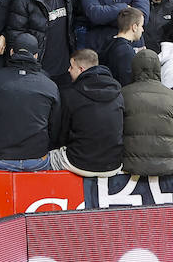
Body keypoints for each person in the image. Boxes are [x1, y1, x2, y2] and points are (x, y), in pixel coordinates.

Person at [0, 33, 60, 171]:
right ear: (36, 56)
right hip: (36, 160)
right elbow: (55, 129)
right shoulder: (50, 86)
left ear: (11, 52)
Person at [51, 49, 125, 177]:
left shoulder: (69, 95)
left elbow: (61, 135)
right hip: (113, 165)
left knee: (43, 160)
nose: (68, 70)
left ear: (81, 69)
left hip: (79, 163)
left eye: (71, 67)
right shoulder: (118, 95)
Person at [120, 48, 173, 177]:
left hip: (132, 165)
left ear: (134, 68)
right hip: (170, 165)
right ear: (157, 69)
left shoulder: (123, 94)